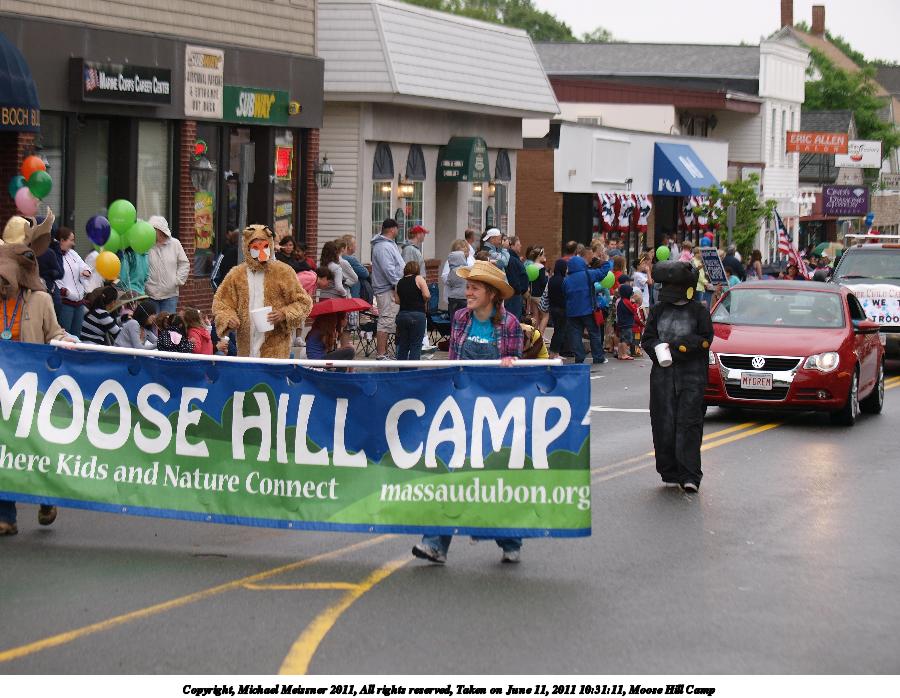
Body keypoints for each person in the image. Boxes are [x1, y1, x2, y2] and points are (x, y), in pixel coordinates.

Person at [411, 260, 523, 565]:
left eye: (474, 288)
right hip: (460, 407)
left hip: (495, 412)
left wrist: (510, 365)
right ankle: (434, 543)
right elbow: (454, 361)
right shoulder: (460, 318)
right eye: (468, 287)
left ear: (491, 293)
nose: (468, 292)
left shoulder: (510, 324)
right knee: (449, 473)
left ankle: (510, 539)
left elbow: (518, 374)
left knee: (491, 477)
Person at [0, 210, 72, 536]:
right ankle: (6, 515)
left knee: (33, 447)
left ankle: (45, 499)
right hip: (2, 389)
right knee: (3, 449)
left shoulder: (41, 300)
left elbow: (54, 333)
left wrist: (65, 342)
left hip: (32, 388)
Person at [640, 261, 714, 493]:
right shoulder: (658, 311)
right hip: (662, 378)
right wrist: (657, 349)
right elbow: (647, 338)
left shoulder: (699, 311)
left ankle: (690, 474)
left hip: (692, 377)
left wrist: (678, 348)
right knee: (663, 423)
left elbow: (705, 339)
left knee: (688, 424)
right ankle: (669, 471)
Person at [212, 224, 312, 359]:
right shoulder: (236, 275)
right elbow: (221, 303)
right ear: (247, 248)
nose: (261, 251)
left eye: (265, 246)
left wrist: (284, 314)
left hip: (275, 350)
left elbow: (303, 302)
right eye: (256, 247)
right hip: (246, 351)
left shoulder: (283, 272)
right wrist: (228, 318)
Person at [564, 244, 612, 367]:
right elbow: (604, 270)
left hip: (572, 311)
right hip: (588, 309)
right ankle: (598, 357)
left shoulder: (567, 279)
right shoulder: (588, 274)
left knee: (575, 335)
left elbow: (564, 294)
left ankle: (579, 357)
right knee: (594, 333)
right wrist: (601, 260)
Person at [370, 218, 405, 360]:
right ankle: (381, 353)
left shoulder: (388, 245)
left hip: (389, 288)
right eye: (397, 228)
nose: (398, 231)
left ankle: (384, 353)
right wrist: (398, 284)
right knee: (385, 320)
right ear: (392, 229)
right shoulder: (383, 247)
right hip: (387, 289)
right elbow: (388, 269)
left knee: (389, 320)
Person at [145, 215, 189, 314]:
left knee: (167, 322)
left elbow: (184, 264)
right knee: (152, 322)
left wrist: (177, 280)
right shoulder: (146, 245)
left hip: (170, 296)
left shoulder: (175, 244)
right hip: (150, 295)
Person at [55, 227, 91, 336]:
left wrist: (86, 271)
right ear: (62, 240)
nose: (73, 243)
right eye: (71, 240)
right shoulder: (54, 255)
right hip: (65, 303)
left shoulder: (72, 253)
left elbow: (83, 265)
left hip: (79, 303)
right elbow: (55, 278)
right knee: (65, 336)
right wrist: (65, 292)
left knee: (76, 336)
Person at [393, 260, 430, 362]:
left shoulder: (399, 282)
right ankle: (412, 370)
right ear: (417, 269)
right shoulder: (419, 278)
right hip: (417, 314)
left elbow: (397, 301)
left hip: (402, 315)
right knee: (416, 345)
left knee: (403, 344)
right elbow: (427, 295)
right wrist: (422, 301)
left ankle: (402, 369)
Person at [546, 258, 569, 359]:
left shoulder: (551, 280)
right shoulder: (564, 281)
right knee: (560, 332)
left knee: (557, 331)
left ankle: (553, 352)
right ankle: (554, 353)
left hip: (553, 308)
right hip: (562, 309)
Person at [504, 236, 529, 320]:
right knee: (513, 319)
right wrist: (520, 290)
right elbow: (513, 278)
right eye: (518, 244)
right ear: (512, 246)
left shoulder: (514, 259)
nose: (520, 246)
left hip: (516, 295)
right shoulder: (512, 260)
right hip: (514, 296)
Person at [444, 240, 469, 319]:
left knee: (454, 319)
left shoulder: (452, 270)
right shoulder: (466, 270)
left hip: (453, 297)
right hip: (464, 297)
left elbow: (448, 282)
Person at [525, 246, 548, 331]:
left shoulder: (530, 266)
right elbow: (543, 282)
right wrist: (546, 277)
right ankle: (540, 335)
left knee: (535, 316)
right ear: (539, 256)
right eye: (543, 255)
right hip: (540, 295)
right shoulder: (541, 267)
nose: (544, 256)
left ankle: (533, 335)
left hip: (532, 294)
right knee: (545, 315)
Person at [341, 234, 370, 300]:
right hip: (352, 292)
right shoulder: (351, 259)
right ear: (349, 247)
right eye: (354, 243)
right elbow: (365, 273)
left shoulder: (339, 258)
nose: (356, 246)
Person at [615, 284, 636, 361]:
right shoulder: (627, 302)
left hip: (621, 323)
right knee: (626, 340)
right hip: (626, 324)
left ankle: (620, 354)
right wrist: (634, 304)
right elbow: (633, 310)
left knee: (621, 339)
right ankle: (624, 354)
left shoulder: (620, 301)